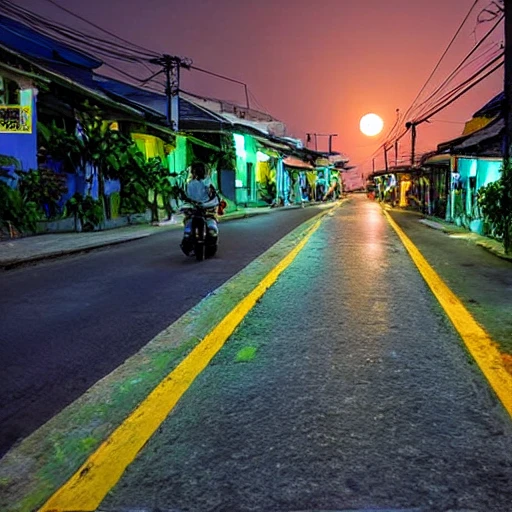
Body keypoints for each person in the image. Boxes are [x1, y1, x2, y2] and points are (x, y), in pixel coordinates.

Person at [181, 162, 219, 255]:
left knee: (211, 225)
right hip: (195, 209)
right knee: (188, 226)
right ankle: (188, 242)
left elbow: (214, 195)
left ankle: (208, 243)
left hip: (205, 209)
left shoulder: (206, 183)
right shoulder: (191, 184)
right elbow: (184, 196)